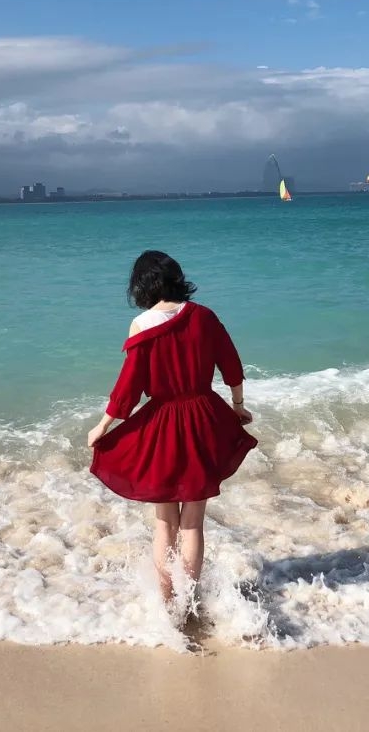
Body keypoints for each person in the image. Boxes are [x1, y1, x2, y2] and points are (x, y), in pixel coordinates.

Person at [87, 250, 257, 604]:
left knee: (165, 522)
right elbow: (232, 365)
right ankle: (189, 602)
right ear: (177, 279)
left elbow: (129, 386)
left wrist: (104, 425)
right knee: (193, 521)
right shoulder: (204, 316)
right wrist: (238, 406)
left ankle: (167, 605)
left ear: (142, 286)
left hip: (162, 424)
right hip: (204, 418)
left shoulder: (142, 324)